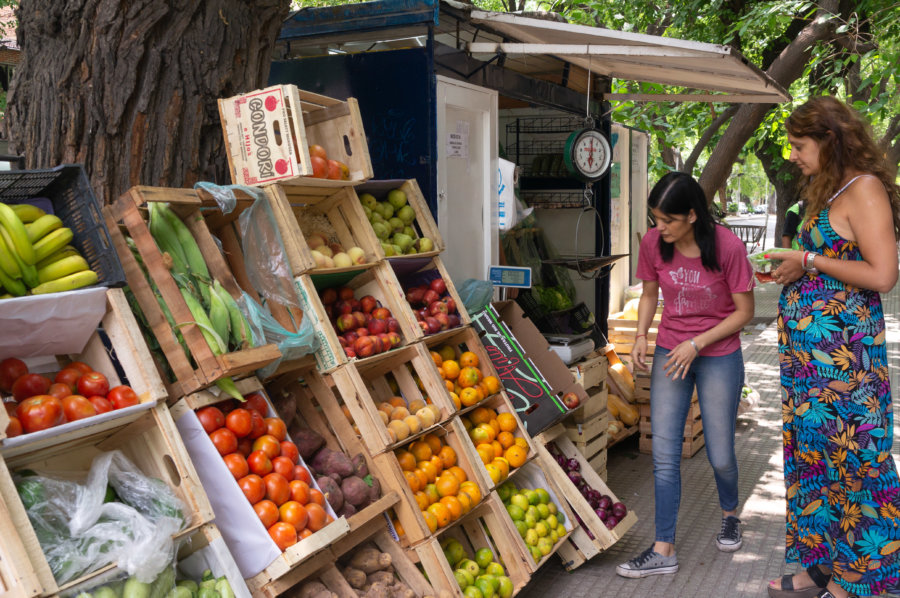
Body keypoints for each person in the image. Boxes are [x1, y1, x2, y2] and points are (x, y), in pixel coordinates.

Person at [765, 96, 900, 598]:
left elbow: (883, 274)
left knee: (858, 467)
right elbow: (822, 255)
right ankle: (822, 566)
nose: (792, 155)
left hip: (847, 372)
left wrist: (809, 259)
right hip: (810, 372)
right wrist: (796, 265)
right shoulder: (831, 188)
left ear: (830, 139)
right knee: (817, 464)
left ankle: (856, 581)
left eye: (799, 145)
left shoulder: (864, 189)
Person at [616, 172, 755, 578]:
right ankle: (664, 548)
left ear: (692, 215)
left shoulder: (727, 246)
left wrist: (696, 343)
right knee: (663, 454)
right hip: (670, 352)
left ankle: (730, 514)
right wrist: (641, 334)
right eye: (655, 219)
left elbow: (744, 312)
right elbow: (649, 293)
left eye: (667, 220)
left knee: (721, 454)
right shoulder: (653, 243)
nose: (659, 228)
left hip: (719, 354)